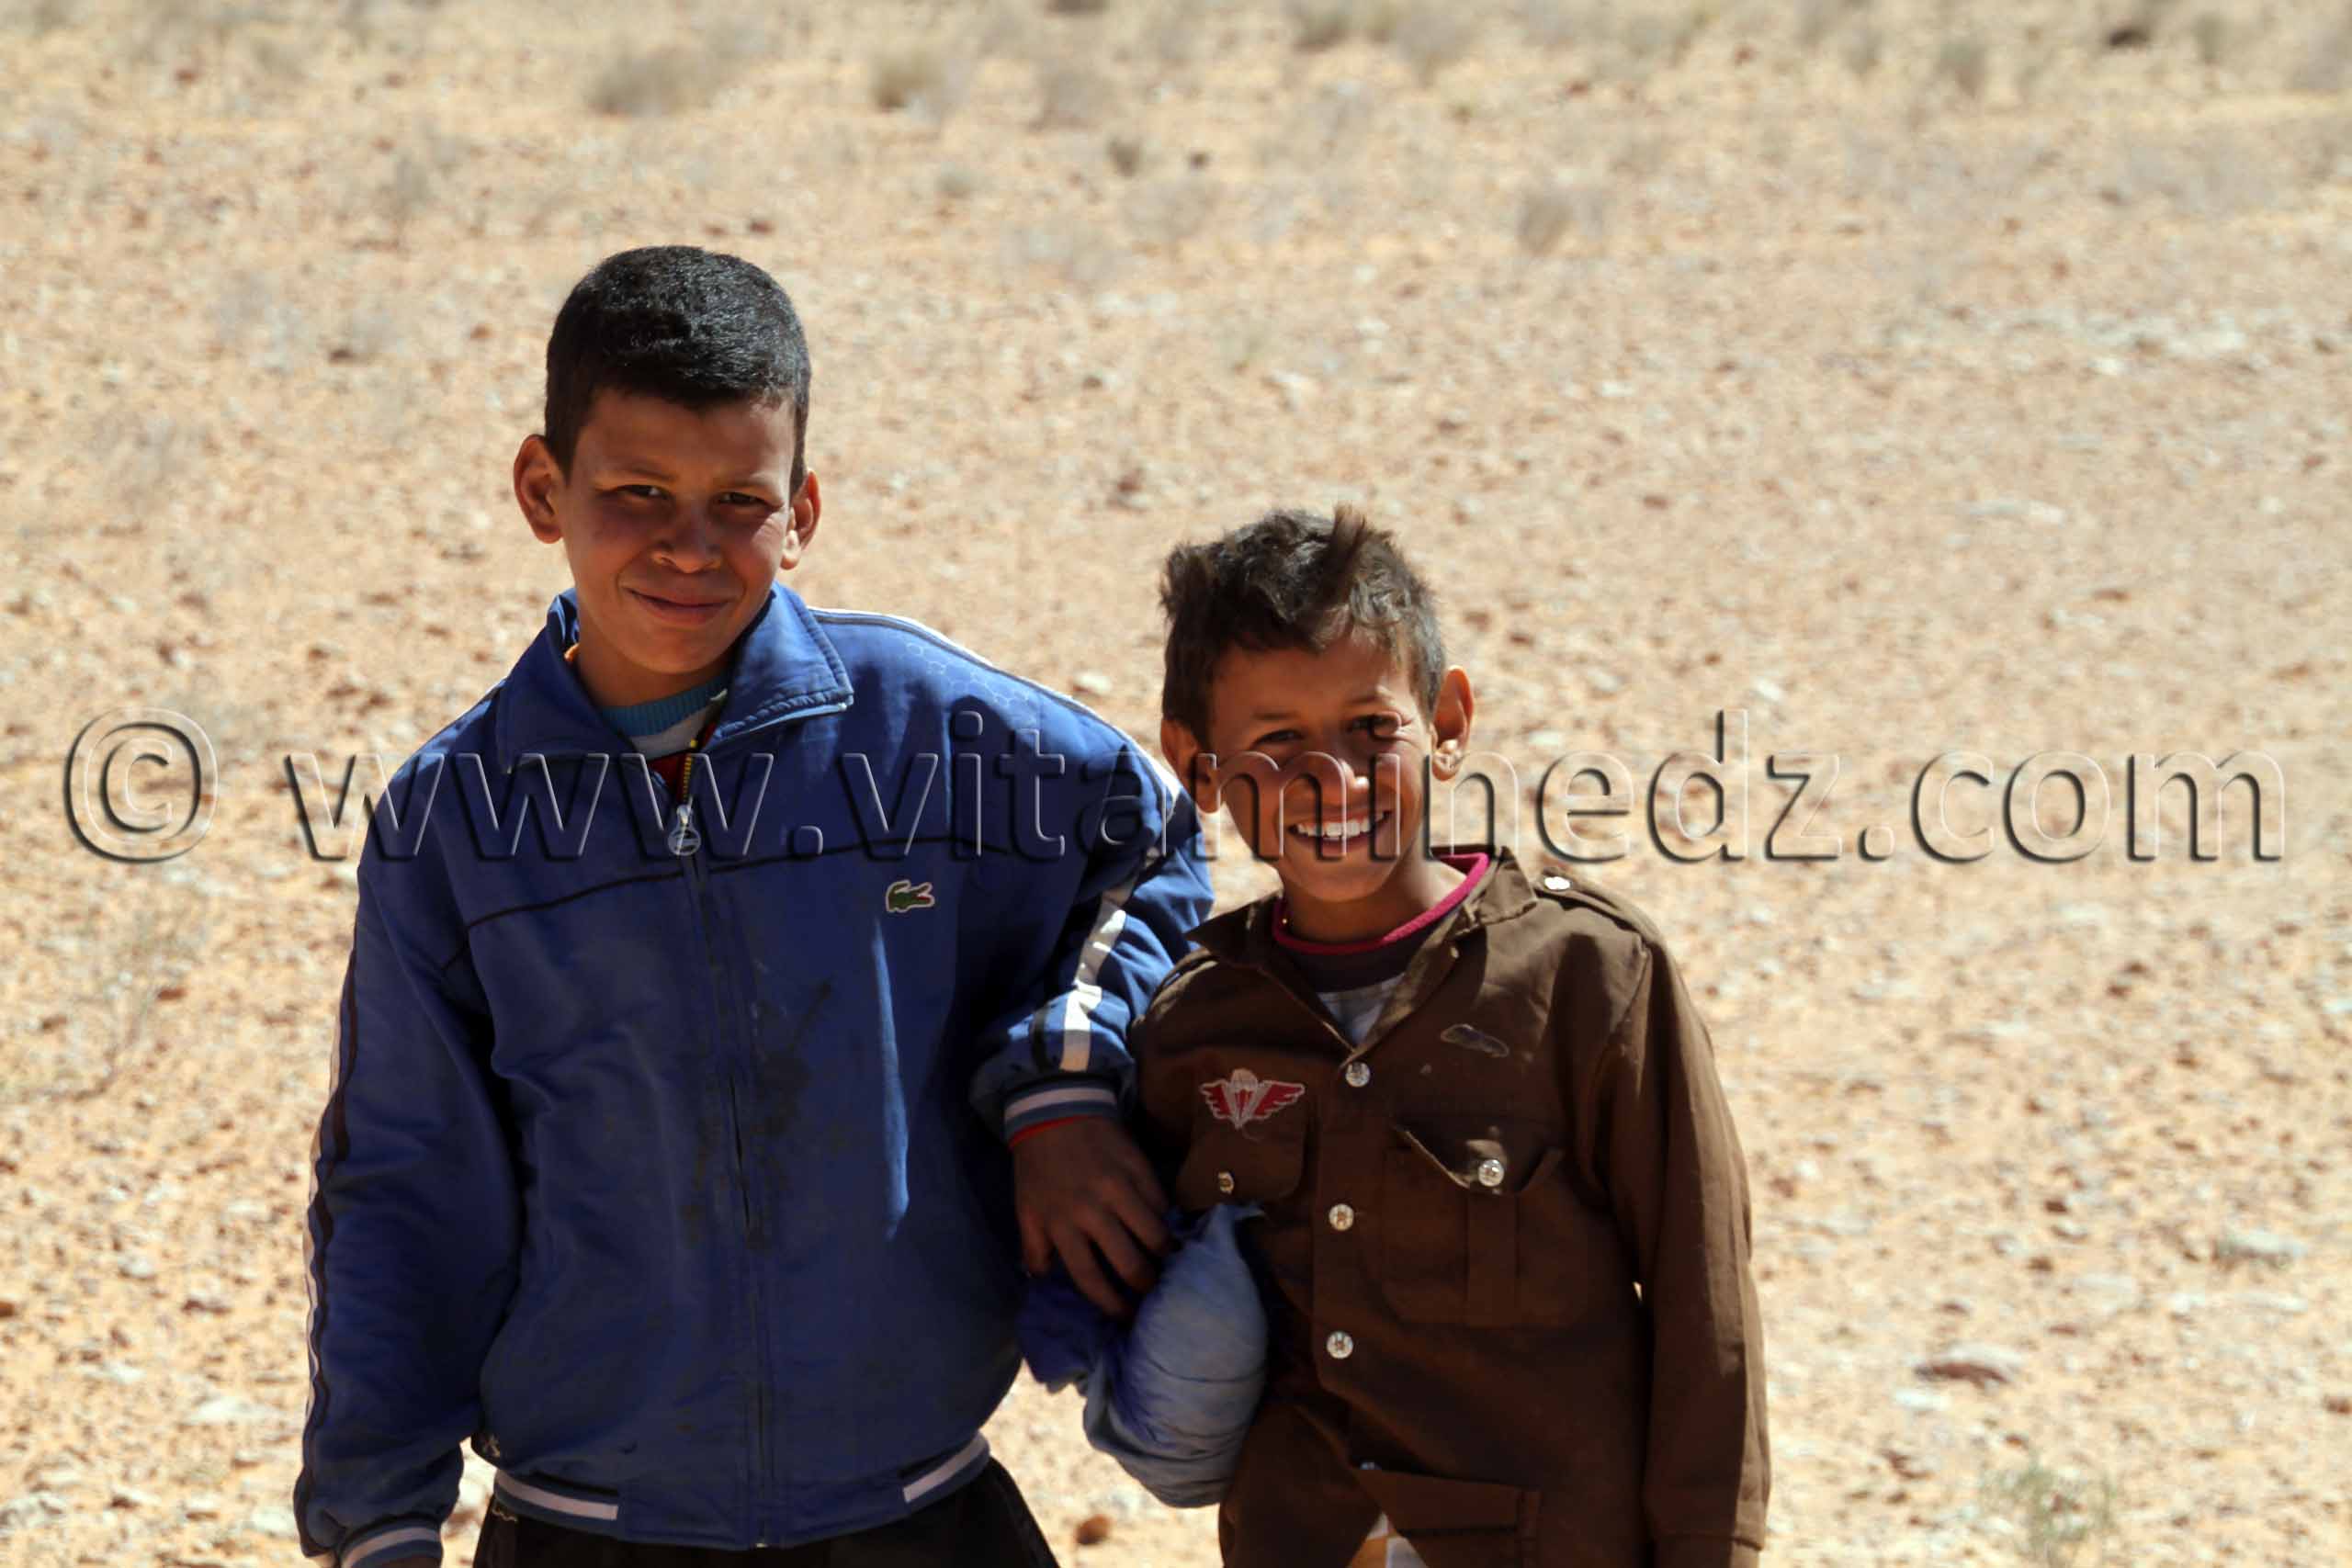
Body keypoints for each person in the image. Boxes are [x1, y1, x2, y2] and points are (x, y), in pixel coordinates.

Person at [294, 245, 1212, 1568]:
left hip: (923, 1507)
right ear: (542, 488)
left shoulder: (928, 734)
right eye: (638, 492)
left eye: (740, 500)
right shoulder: (457, 822)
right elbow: (402, 1185)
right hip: (586, 1527)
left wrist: (1062, 1083)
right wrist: (378, 1518)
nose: (689, 544)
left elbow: (1146, 842)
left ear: (805, 509)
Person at [1136, 504, 1770, 1568]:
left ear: (1447, 720)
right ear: (1198, 766)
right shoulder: (1196, 1021)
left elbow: (1704, 1304)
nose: (1330, 779)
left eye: (1371, 728)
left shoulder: (1583, 979)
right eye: (1277, 740)